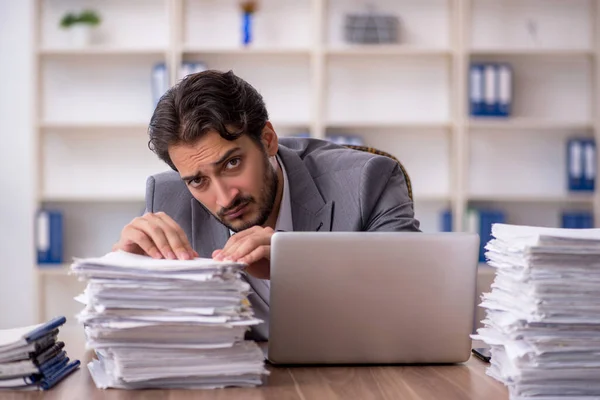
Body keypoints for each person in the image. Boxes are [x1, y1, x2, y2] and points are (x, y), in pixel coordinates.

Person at [112, 70, 421, 340]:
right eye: (197, 181)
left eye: (232, 163)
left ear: (268, 139)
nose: (224, 198)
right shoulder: (165, 199)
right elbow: (120, 335)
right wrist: (121, 276)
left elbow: (417, 301)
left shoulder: (367, 181)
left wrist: (299, 265)